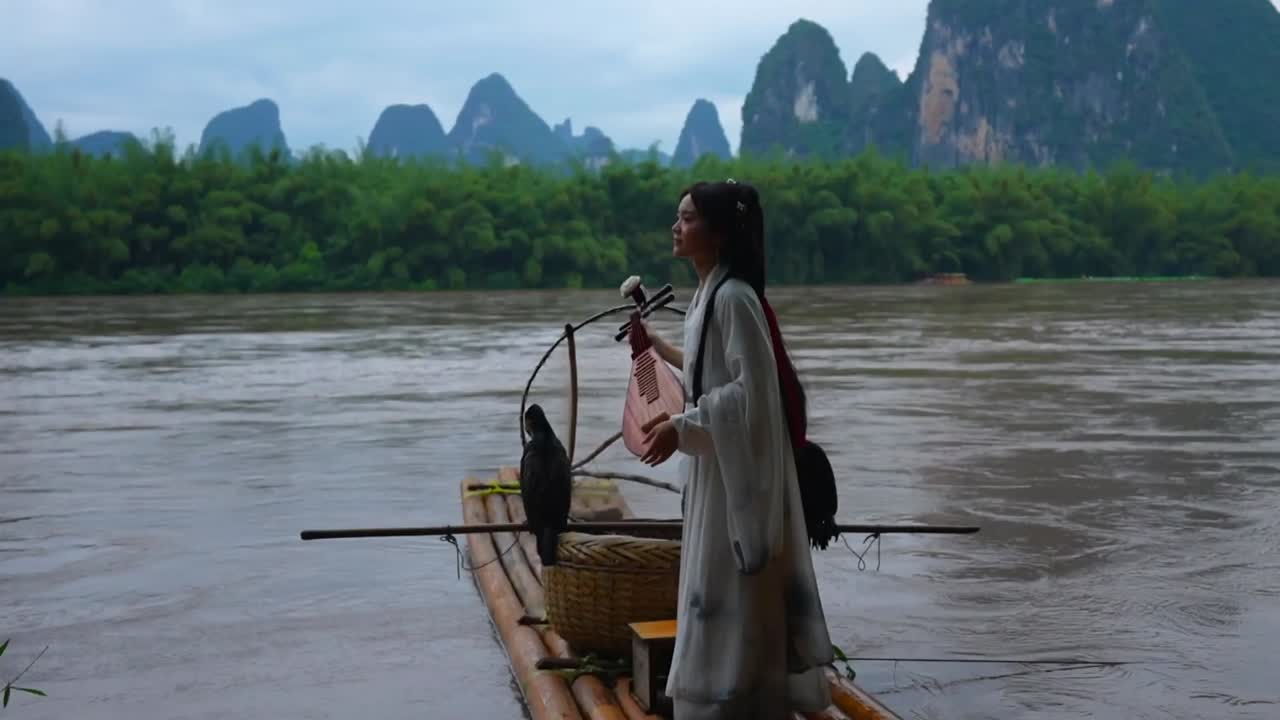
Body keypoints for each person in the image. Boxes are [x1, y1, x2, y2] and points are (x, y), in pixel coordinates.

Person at [636, 180, 835, 719]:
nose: (676, 227)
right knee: (711, 593)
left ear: (720, 232)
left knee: (735, 600)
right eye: (676, 217)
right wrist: (657, 347)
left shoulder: (736, 298)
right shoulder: (706, 297)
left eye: (687, 218)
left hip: (739, 482)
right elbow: (710, 372)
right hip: (718, 472)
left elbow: (753, 397)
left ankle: (744, 705)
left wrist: (682, 427)